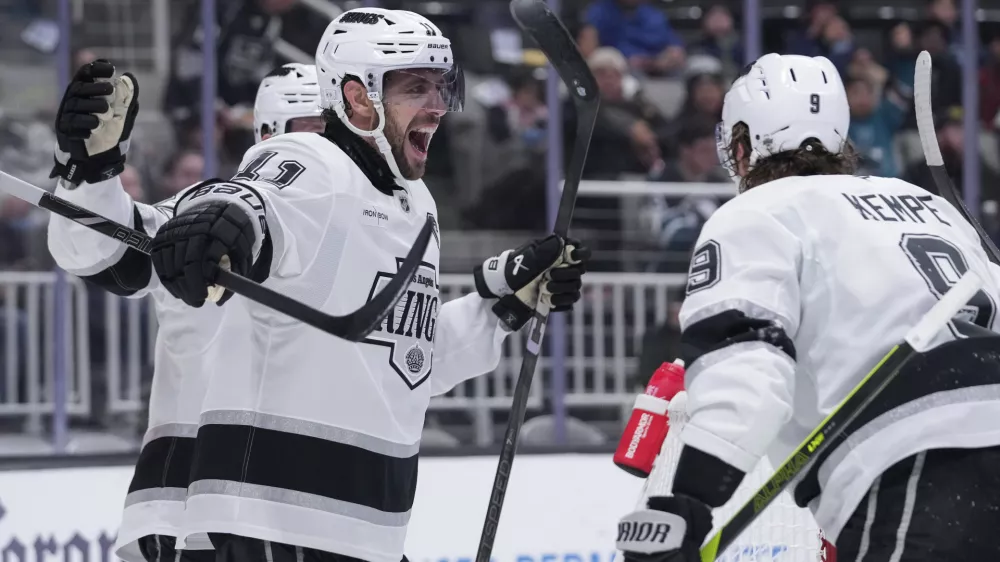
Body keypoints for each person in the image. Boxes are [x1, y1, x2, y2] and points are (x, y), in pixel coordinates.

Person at [147, 9, 590, 562]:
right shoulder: (315, 160)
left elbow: (405, 362)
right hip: (270, 526)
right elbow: (262, 194)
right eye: (414, 87)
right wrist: (225, 218)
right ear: (358, 99)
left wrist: (502, 307)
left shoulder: (417, 205)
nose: (436, 105)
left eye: (440, 86)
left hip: (367, 534)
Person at [616, 54, 1000, 561]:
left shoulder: (754, 214)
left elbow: (748, 365)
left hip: (919, 460)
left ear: (745, 144)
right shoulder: (928, 206)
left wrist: (689, 501)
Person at [45, 61, 330, 562]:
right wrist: (89, 174)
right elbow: (103, 256)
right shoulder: (217, 206)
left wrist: (491, 304)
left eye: (336, 133)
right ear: (266, 135)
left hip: (323, 516)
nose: (326, 150)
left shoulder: (372, 227)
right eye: (311, 131)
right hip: (194, 514)